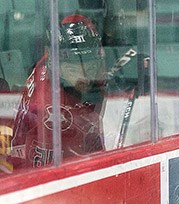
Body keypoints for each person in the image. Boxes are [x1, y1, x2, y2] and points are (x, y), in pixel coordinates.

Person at [7, 14, 107, 173]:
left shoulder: (52, 62)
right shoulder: (47, 102)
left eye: (90, 67)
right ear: (56, 65)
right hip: (36, 173)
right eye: (73, 68)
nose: (84, 76)